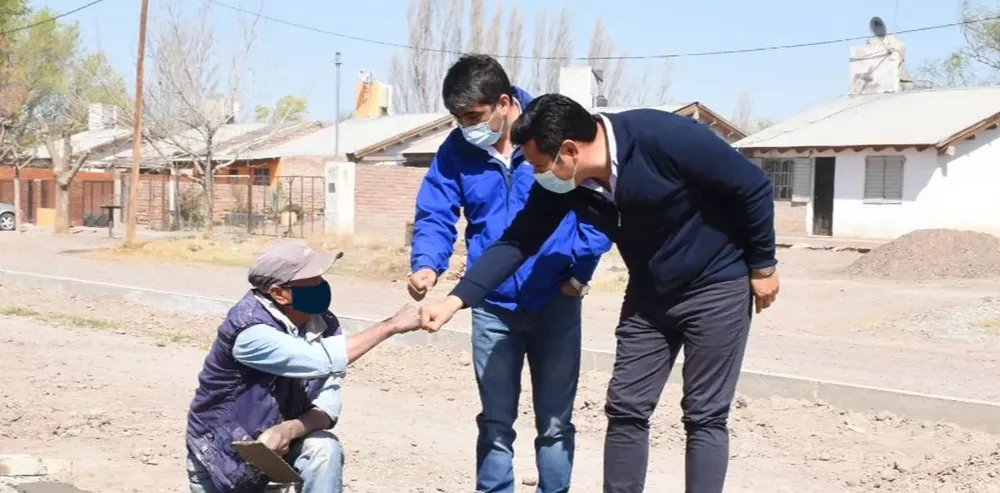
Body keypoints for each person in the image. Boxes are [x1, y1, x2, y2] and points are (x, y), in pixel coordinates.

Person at [420, 93, 780, 493]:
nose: (538, 175)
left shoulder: (663, 136)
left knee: (704, 415)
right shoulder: (566, 182)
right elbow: (518, 241)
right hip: (649, 294)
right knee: (626, 408)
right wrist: (456, 299)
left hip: (715, 287)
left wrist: (763, 266)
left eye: (540, 165)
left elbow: (753, 186)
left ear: (570, 151)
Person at [407, 55, 612, 493]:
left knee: (555, 422)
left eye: (473, 117)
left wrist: (579, 273)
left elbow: (599, 210)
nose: (465, 127)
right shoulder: (456, 151)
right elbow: (436, 211)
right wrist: (427, 263)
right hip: (492, 306)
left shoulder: (553, 131)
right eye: (458, 118)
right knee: (496, 421)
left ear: (504, 103)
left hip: (556, 299)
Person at [185, 241, 422, 493]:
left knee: (324, 448)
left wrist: (289, 429)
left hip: (277, 454)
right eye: (312, 279)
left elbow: (327, 404)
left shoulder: (323, 324)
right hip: (224, 455)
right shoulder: (250, 331)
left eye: (321, 277)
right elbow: (318, 359)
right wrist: (390, 326)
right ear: (279, 293)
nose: (321, 285)